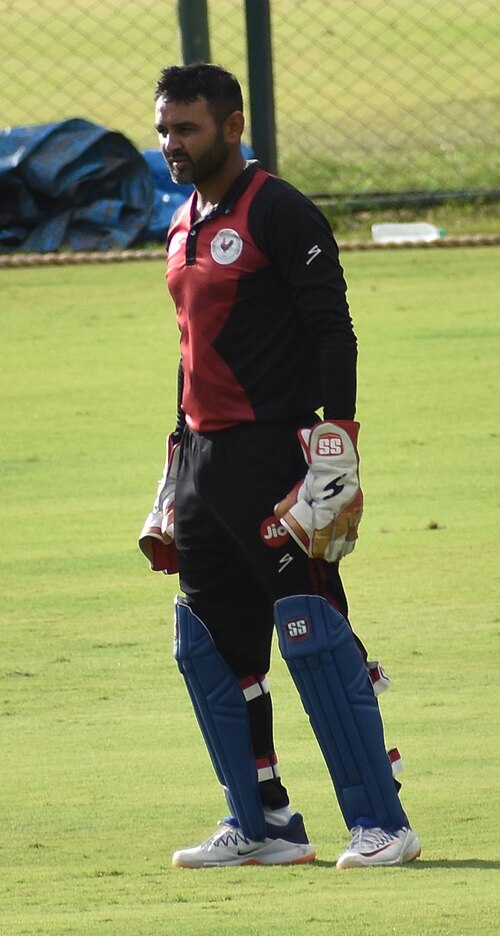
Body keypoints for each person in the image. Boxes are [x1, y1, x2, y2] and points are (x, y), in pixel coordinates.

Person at [139, 63, 420, 870]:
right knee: (211, 647)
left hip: (276, 457)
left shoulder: (281, 209)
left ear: (232, 126)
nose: (172, 145)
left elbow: (333, 328)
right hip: (202, 463)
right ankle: (262, 822)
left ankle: (382, 823)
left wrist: (339, 446)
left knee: (313, 633)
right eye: (163, 129)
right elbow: (193, 351)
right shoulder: (184, 217)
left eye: (186, 128)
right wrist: (174, 463)